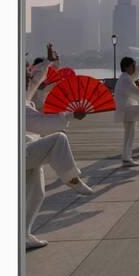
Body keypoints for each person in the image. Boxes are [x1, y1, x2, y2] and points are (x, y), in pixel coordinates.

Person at [25, 44, 94, 249]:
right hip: (22, 153)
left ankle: (24, 235)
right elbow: (40, 123)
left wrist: (48, 62)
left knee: (37, 194)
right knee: (58, 139)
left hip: (30, 150)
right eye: (25, 77)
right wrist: (72, 115)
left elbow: (36, 78)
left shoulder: (24, 95)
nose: (30, 80)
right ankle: (72, 176)